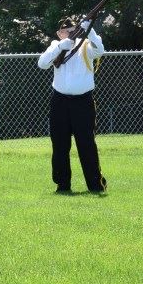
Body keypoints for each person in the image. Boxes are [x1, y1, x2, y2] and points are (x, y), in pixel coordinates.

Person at [37, 17, 107, 193]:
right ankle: (62, 184)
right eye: (66, 32)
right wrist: (61, 47)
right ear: (59, 34)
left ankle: (95, 184)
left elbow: (100, 51)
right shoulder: (55, 46)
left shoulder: (85, 45)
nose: (70, 34)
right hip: (60, 101)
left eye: (73, 31)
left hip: (83, 101)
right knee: (60, 144)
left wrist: (90, 30)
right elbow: (42, 63)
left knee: (86, 144)